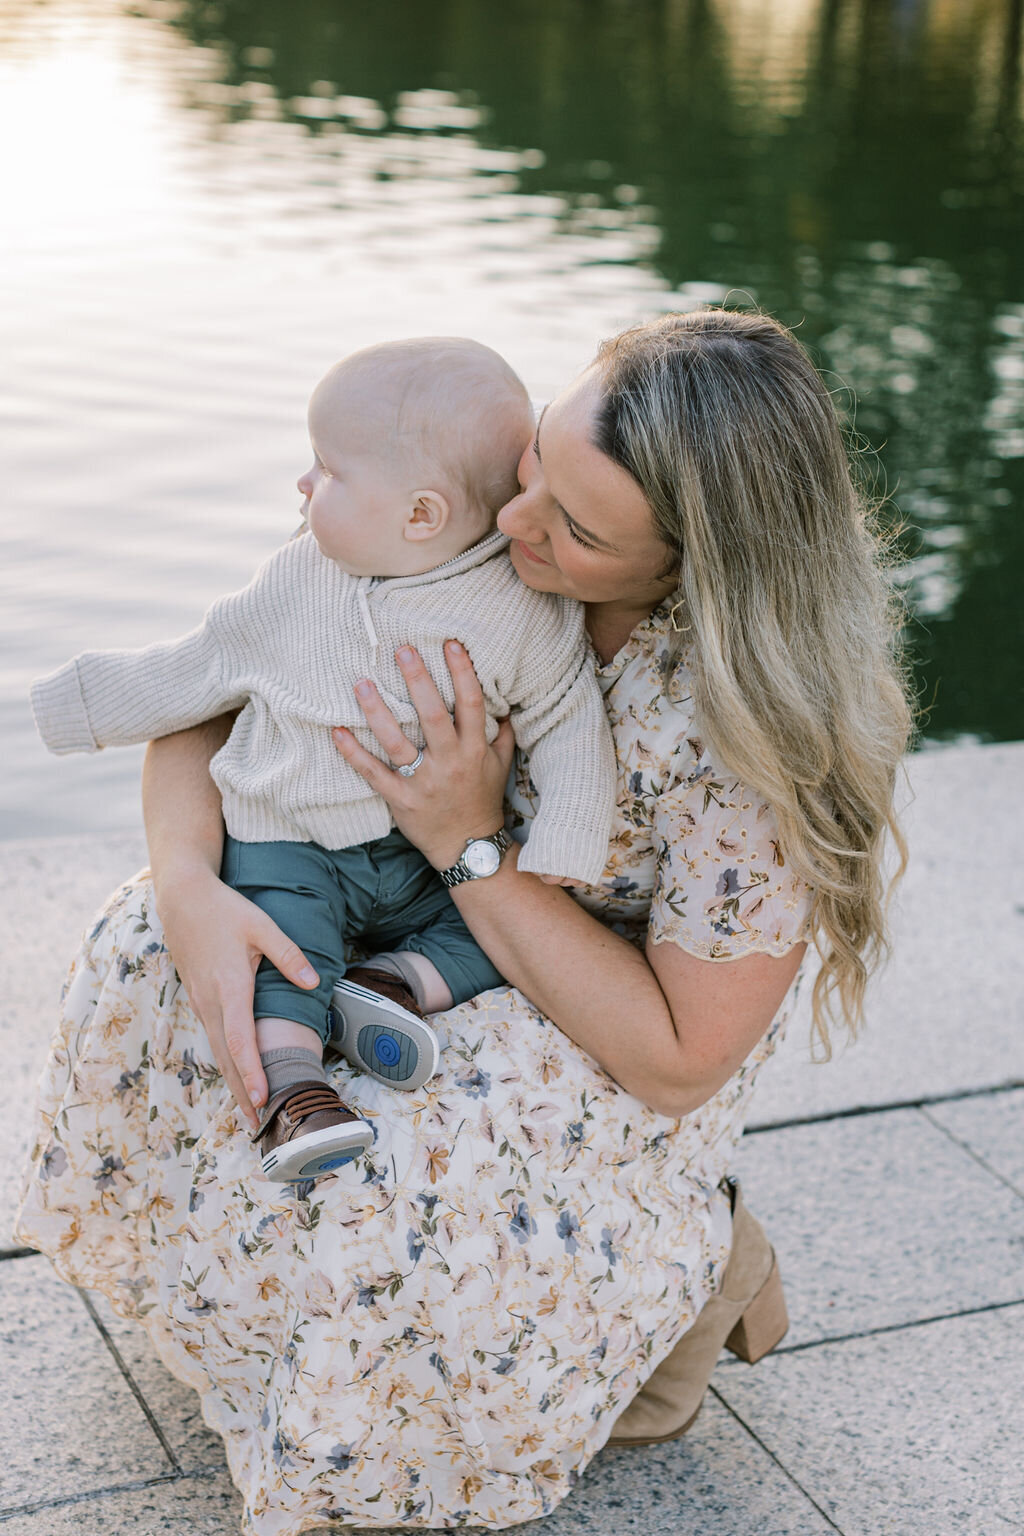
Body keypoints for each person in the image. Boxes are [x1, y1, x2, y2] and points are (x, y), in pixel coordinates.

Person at [16, 308, 911, 1534]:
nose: (515, 522)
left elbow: (677, 1056)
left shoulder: (752, 737)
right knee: (166, 962)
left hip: (581, 1004)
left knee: (392, 1156)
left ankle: (675, 1283)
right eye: (541, 461)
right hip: (379, 886)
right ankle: (266, 1340)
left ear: (695, 564)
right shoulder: (453, 487)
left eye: (579, 530)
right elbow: (230, 673)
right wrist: (186, 886)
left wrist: (466, 840)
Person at [29, 337, 615, 1182]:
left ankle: (390, 984)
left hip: (422, 859)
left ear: (422, 515)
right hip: (291, 840)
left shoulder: (518, 608)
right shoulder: (296, 581)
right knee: (283, 955)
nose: (304, 487)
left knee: (500, 932)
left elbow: (566, 715)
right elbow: (199, 665)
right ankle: (296, 1098)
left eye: (327, 471)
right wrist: (71, 708)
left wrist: (567, 835)